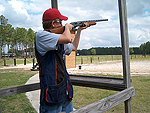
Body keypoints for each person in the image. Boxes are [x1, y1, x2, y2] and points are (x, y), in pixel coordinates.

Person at [35, 8, 91, 113]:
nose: (62, 24)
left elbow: (73, 47)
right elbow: (67, 39)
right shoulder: (41, 35)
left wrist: (79, 30)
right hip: (51, 93)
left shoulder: (57, 39)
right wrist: (68, 28)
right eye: (60, 22)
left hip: (64, 90)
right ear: (53, 23)